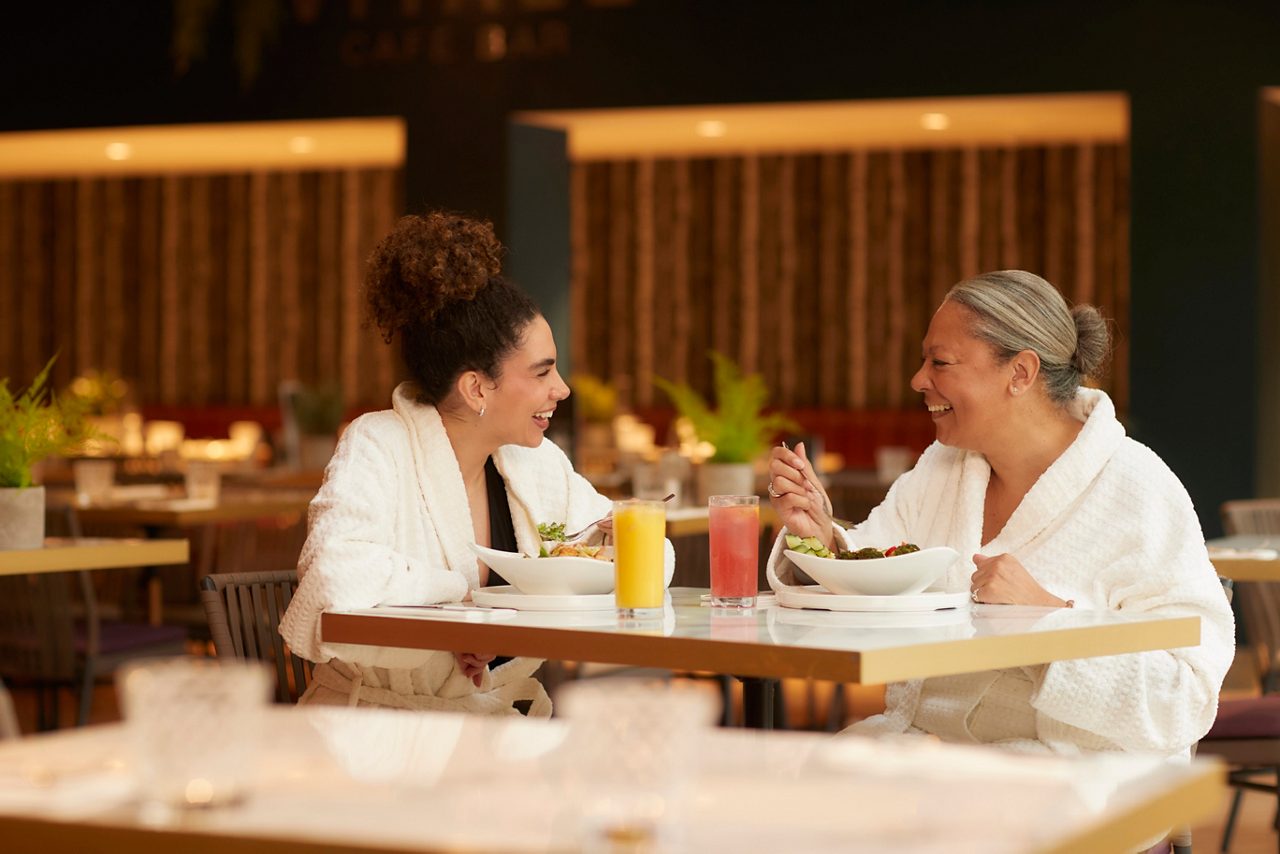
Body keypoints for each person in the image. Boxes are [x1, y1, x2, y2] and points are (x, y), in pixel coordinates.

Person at [765, 270, 1233, 758]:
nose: (918, 380)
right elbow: (878, 574)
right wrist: (821, 539)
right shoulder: (942, 469)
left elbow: (1188, 693)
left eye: (940, 362)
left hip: (1078, 766)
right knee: (804, 799)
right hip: (929, 751)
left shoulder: (1137, 488)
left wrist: (1048, 620)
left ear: (1021, 373)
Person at [280, 211, 674, 715]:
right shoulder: (378, 443)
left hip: (490, 735)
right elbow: (335, 581)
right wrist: (464, 603)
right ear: (477, 388)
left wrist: (617, 544)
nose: (562, 389)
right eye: (543, 372)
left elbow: (648, 559)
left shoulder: (535, 466)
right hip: (373, 733)